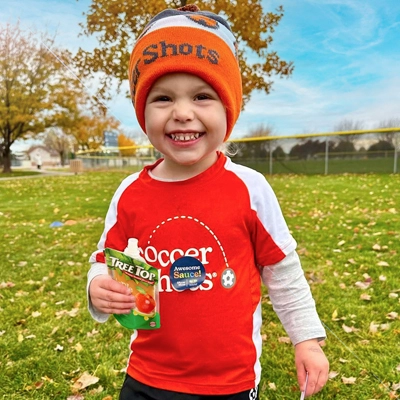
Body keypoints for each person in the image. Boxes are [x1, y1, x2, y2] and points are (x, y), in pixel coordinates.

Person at [87, 4, 329, 400]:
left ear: (228, 107)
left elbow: (283, 271)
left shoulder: (249, 187)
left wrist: (306, 339)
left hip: (228, 382)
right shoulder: (130, 191)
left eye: (202, 96)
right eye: (162, 98)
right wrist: (98, 285)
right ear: (141, 110)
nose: (182, 113)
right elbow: (104, 258)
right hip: (147, 375)